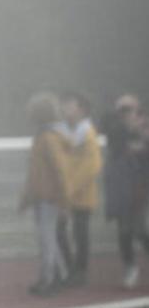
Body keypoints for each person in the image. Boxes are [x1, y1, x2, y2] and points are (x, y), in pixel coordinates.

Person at [19, 92, 69, 296]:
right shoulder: (43, 137)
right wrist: (27, 197)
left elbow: (60, 170)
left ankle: (49, 279)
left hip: (49, 197)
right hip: (42, 196)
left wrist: (64, 200)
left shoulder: (48, 138)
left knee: (47, 239)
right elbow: (36, 172)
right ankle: (61, 274)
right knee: (48, 238)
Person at [55, 91, 102, 287]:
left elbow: (92, 165)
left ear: (81, 109)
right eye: (63, 104)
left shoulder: (87, 133)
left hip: (81, 193)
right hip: (64, 192)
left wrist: (71, 188)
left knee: (80, 232)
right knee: (59, 230)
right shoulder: (60, 131)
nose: (65, 108)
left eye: (70, 104)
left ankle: (80, 272)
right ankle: (69, 268)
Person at [102, 93, 149, 288]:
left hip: (141, 187)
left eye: (129, 109)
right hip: (122, 189)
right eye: (121, 110)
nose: (125, 114)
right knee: (124, 230)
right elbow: (108, 128)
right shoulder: (116, 131)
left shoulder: (144, 132)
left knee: (139, 229)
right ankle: (130, 267)